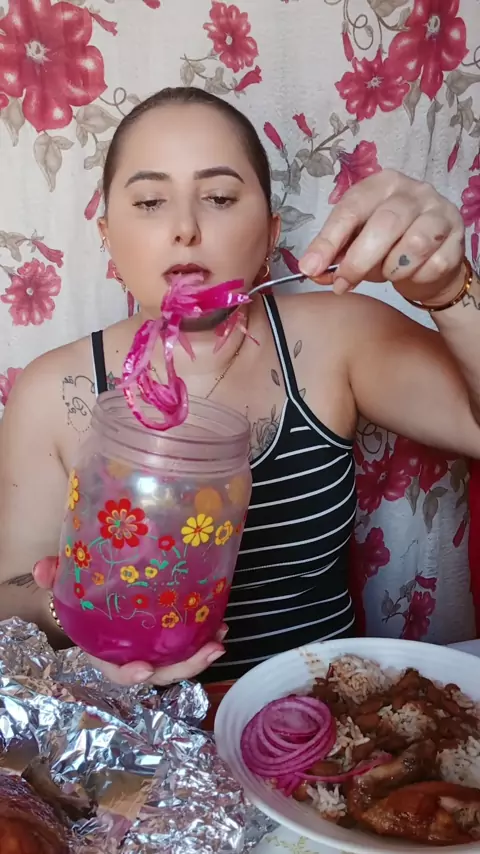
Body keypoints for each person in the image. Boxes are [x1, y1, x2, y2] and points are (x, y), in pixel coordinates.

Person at [1, 86, 479, 691]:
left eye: (220, 198)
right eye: (149, 202)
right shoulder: (54, 390)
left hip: (324, 710)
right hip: (139, 728)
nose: (185, 228)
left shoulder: (336, 338)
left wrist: (450, 291)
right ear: (107, 236)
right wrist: (69, 607)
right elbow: (10, 593)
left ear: (272, 232)